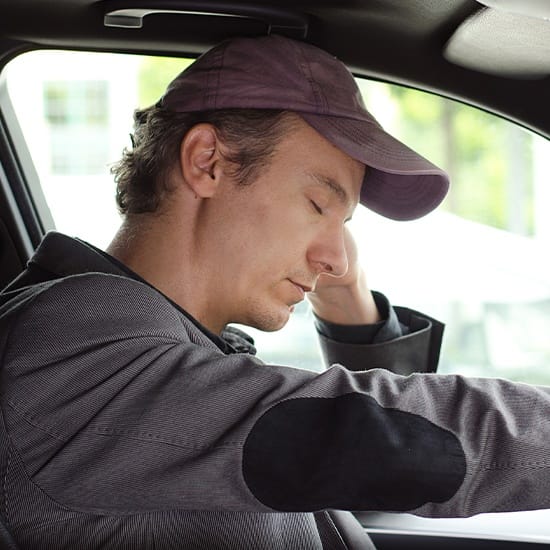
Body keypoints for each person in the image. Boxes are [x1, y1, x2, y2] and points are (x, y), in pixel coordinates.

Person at [0, 34, 549, 550]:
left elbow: (366, 470)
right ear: (207, 162)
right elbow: (366, 439)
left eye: (345, 220)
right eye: (317, 204)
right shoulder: (71, 349)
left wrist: (349, 307)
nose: (337, 255)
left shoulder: (174, 353)